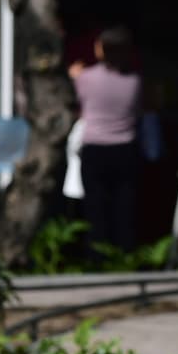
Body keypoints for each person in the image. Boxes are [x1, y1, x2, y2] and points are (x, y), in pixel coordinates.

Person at [69, 26, 142, 251]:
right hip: (125, 149)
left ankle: (97, 254)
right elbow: (138, 112)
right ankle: (124, 253)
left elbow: (77, 102)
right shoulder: (134, 81)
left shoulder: (86, 78)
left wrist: (73, 76)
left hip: (95, 149)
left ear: (101, 50)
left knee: (95, 207)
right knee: (124, 208)